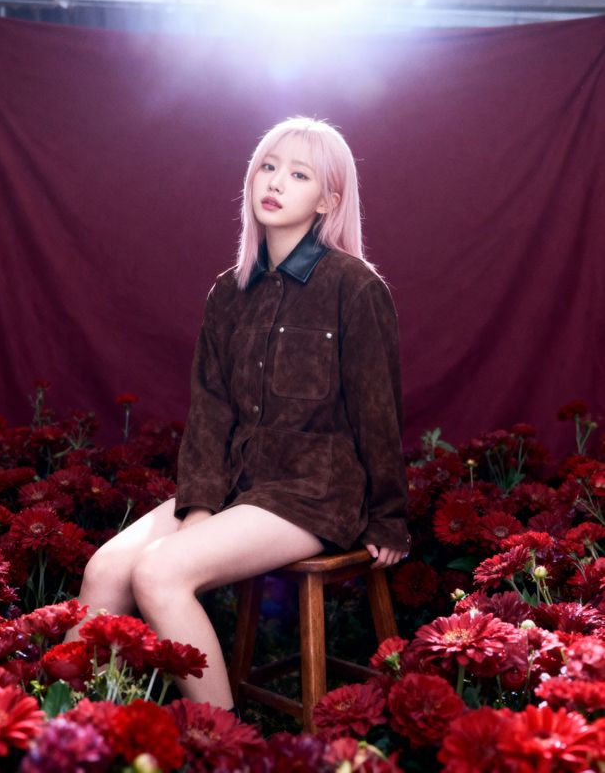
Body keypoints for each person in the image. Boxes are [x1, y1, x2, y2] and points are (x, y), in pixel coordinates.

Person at [64, 116, 410, 711]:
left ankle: (219, 747)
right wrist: (199, 506)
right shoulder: (229, 292)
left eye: (298, 174)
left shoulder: (353, 286)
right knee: (105, 570)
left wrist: (388, 517)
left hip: (312, 490)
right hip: (236, 484)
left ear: (327, 200)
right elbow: (210, 412)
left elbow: (377, 410)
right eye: (268, 166)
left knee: (159, 574)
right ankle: (69, 731)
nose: (275, 182)